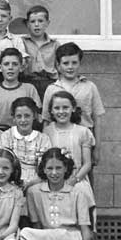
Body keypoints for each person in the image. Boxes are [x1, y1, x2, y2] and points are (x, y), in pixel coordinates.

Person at [20, 148, 113, 240]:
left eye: (58, 168)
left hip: (69, 238)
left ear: (66, 168)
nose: (54, 173)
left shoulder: (78, 193)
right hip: (48, 237)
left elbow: (85, 228)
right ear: (43, 169)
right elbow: (37, 226)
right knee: (26, 232)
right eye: (49, 168)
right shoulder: (33, 192)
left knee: (72, 239)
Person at [42, 42, 105, 166]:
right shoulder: (52, 89)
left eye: (74, 62)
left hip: (84, 141)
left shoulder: (89, 87)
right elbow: (46, 120)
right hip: (58, 139)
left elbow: (97, 119)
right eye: (65, 63)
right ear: (58, 66)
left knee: (84, 174)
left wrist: (97, 148)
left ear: (79, 64)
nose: (70, 67)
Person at [44, 91, 97, 225]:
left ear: (73, 108)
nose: (61, 111)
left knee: (81, 191)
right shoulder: (47, 131)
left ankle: (85, 234)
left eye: (65, 107)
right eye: (57, 108)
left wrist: (75, 180)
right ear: (51, 110)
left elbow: (87, 164)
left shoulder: (82, 132)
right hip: (53, 177)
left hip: (76, 177)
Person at [0, 97, 51, 191]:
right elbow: (3, 162)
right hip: (10, 178)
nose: (23, 120)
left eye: (27, 116)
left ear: (34, 116)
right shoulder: (6, 136)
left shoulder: (43, 139)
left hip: (36, 181)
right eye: (19, 116)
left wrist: (32, 182)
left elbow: (44, 166)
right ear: (13, 118)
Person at [0, 48, 41, 130]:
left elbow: (37, 116)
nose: (10, 67)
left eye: (15, 64)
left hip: (22, 131)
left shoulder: (29, 89)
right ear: (0, 67)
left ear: (21, 68)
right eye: (6, 64)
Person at [22, 5, 60, 97]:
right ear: (27, 24)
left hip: (49, 82)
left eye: (40, 21)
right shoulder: (21, 42)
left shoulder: (55, 44)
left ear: (47, 23)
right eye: (32, 21)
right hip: (28, 82)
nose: (36, 24)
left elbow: (60, 67)